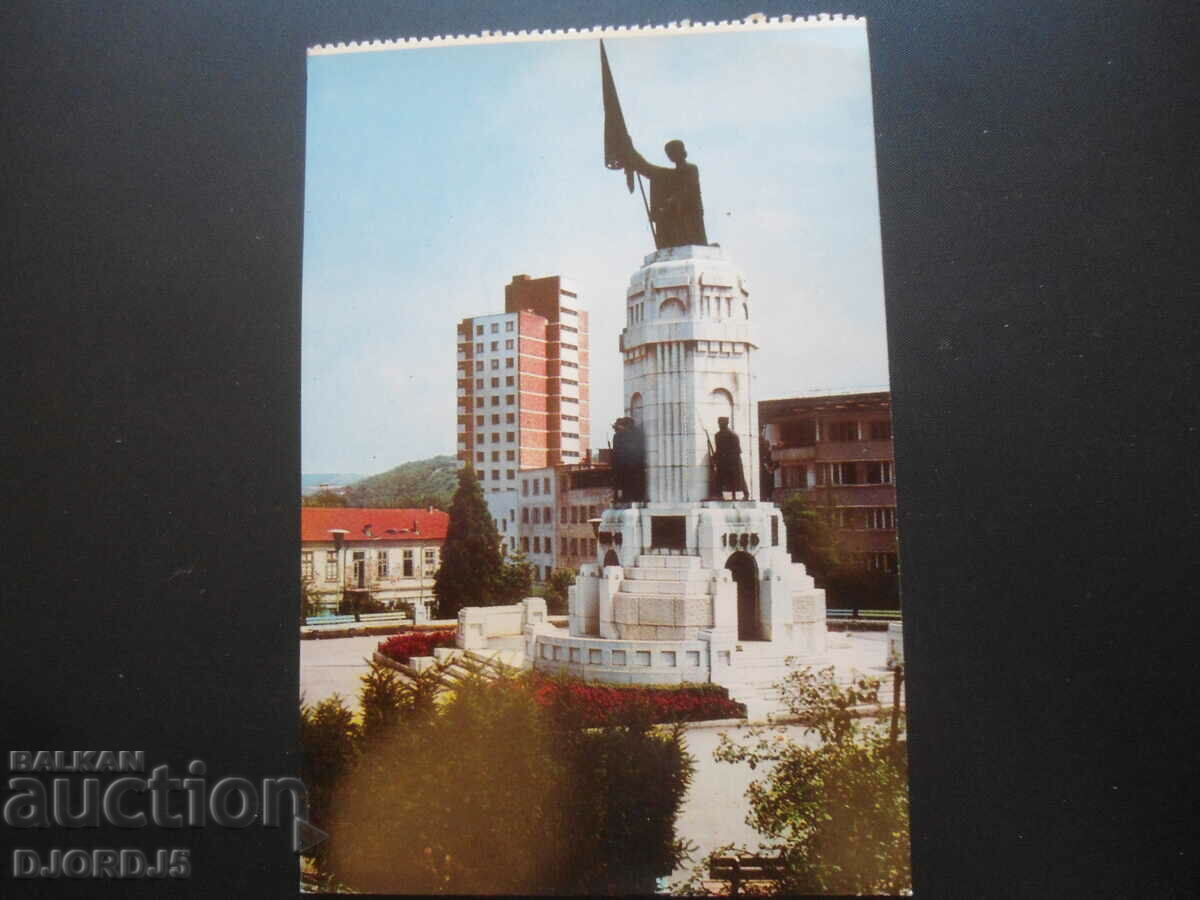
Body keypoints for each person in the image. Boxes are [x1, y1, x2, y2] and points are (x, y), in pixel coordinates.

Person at [627, 139, 708, 249]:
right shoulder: (669, 174)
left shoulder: (691, 169)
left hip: (691, 214)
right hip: (678, 212)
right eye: (669, 153)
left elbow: (688, 190)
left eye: (672, 152)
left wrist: (670, 201)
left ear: (681, 152)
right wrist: (632, 155)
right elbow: (648, 169)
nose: (670, 156)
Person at [714, 417, 749, 500]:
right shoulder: (717, 435)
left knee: (739, 477)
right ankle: (719, 494)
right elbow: (718, 449)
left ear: (726, 423)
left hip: (733, 460)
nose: (720, 424)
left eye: (722, 423)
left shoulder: (733, 435)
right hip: (723, 460)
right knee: (719, 477)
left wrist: (730, 460)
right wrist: (715, 457)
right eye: (719, 423)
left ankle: (746, 494)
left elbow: (737, 450)